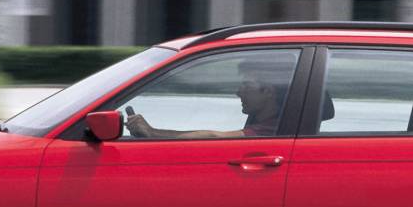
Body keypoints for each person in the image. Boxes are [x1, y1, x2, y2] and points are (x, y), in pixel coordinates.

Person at [124, 57, 289, 138]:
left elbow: (216, 137)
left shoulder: (271, 128)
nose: (239, 92)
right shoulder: (267, 121)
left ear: (268, 91)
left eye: (247, 86)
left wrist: (152, 132)